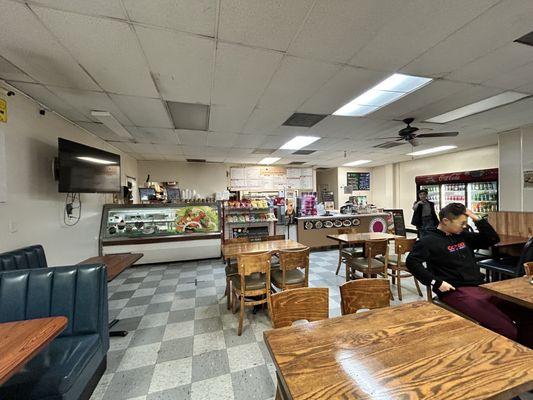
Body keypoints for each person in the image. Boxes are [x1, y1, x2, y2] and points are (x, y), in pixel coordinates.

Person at [406, 203, 532, 348]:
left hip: (481, 287)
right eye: (462, 223)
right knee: (507, 329)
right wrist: (436, 282)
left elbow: (492, 239)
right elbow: (412, 262)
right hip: (455, 291)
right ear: (446, 221)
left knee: (527, 314)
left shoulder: (462, 236)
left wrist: (477, 219)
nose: (465, 226)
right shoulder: (428, 240)